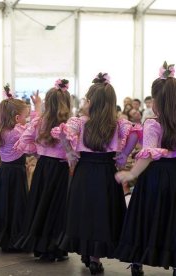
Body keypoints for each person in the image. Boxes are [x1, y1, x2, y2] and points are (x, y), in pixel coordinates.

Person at [52, 73, 140, 274]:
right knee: (103, 214)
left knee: (86, 214)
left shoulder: (81, 121)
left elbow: (61, 131)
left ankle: (91, 258)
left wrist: (69, 152)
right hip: (107, 172)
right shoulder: (118, 123)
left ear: (90, 101)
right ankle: (95, 258)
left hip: (84, 172)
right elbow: (136, 132)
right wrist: (124, 155)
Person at [115, 62, 176, 276]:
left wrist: (131, 173)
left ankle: (137, 261)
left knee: (145, 218)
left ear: (156, 101)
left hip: (156, 178)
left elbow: (149, 154)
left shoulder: (153, 123)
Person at [14, 79, 71, 261]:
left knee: (41, 206)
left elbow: (24, 140)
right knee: (57, 208)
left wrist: (38, 151)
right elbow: (74, 149)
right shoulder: (70, 124)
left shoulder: (40, 122)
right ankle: (56, 248)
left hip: (43, 168)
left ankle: (42, 248)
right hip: (61, 169)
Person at [0, 93, 39, 252]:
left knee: (5, 206)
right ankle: (15, 239)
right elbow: (33, 132)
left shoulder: (2, 130)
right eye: (25, 116)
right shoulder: (16, 133)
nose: (27, 118)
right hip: (16, 172)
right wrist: (38, 108)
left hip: (4, 172)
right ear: (16, 118)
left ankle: (4, 238)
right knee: (16, 206)